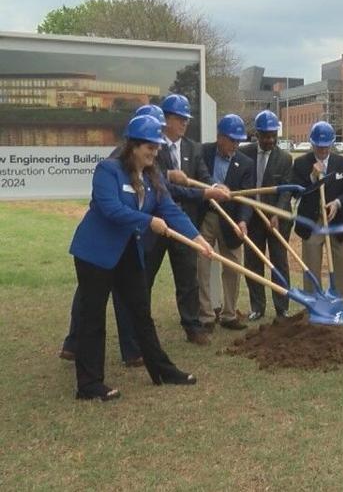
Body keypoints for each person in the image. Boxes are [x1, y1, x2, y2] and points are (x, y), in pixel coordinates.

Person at [68, 114, 210, 401]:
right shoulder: (108, 170)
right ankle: (89, 384)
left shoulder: (153, 176)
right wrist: (148, 222)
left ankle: (162, 371)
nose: (155, 152)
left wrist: (197, 239)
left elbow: (171, 211)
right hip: (95, 253)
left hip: (126, 251)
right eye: (150, 147)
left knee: (141, 313)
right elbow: (110, 209)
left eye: (157, 148)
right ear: (133, 145)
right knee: (93, 317)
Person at [142, 93, 229, 341]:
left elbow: (202, 176)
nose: (184, 124)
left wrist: (216, 187)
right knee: (146, 275)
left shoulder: (192, 147)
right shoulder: (152, 146)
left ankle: (192, 326)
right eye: (180, 119)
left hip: (184, 221)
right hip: (156, 222)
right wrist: (204, 193)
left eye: (186, 119)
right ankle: (142, 325)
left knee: (187, 276)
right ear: (166, 119)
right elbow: (165, 188)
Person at [198, 114, 254, 330]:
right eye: (232, 140)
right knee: (200, 265)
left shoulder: (245, 163)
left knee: (232, 266)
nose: (236, 145)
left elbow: (246, 199)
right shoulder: (202, 153)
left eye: (239, 141)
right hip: (206, 216)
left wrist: (242, 221)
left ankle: (229, 315)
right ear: (220, 137)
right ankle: (205, 316)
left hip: (230, 219)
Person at [240, 109, 294, 321]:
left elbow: (286, 190)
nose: (270, 140)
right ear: (257, 134)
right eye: (265, 136)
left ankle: (282, 308)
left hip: (277, 219)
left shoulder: (285, 158)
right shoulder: (244, 153)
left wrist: (276, 215)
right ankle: (257, 307)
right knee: (253, 262)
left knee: (279, 262)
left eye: (273, 135)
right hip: (252, 217)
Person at [291, 121, 343, 298]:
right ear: (312, 144)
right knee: (311, 265)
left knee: (339, 263)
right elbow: (296, 193)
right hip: (312, 222)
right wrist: (312, 178)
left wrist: (338, 203)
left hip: (336, 221)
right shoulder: (301, 164)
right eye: (319, 147)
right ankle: (313, 302)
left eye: (326, 147)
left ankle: (340, 301)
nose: (323, 151)